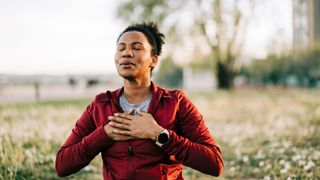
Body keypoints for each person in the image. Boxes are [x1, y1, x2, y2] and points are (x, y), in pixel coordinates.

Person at [55, 22, 223, 179]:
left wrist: (158, 134)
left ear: (153, 60)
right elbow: (62, 165)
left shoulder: (176, 103)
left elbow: (214, 163)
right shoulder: (100, 105)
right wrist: (104, 134)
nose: (126, 53)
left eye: (136, 47)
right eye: (121, 48)